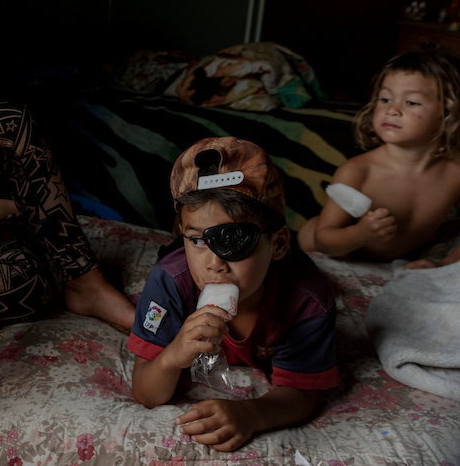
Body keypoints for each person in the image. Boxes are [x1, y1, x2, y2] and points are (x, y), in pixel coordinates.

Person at [129, 136, 338, 453]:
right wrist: (173, 355)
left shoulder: (308, 303)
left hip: (290, 269)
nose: (214, 265)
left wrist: (253, 413)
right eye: (197, 240)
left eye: (235, 239)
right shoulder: (171, 282)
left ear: (278, 243)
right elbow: (145, 391)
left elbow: (300, 394)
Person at [298, 43, 460, 262]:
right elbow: (324, 241)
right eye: (385, 99)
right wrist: (361, 233)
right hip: (346, 250)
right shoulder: (358, 172)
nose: (392, 110)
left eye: (411, 102)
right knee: (308, 239)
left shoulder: (455, 170)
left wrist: (442, 264)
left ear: (448, 112)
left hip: (408, 254)